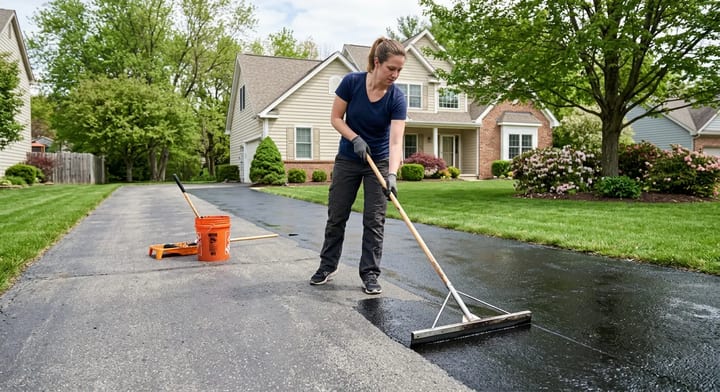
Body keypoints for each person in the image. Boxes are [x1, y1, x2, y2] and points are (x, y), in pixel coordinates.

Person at [309, 37, 407, 295]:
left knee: (375, 220)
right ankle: (327, 266)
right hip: (349, 158)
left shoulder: (397, 97)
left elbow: (396, 142)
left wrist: (393, 175)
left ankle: (370, 274)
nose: (395, 75)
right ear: (377, 62)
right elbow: (335, 118)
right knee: (337, 214)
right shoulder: (352, 82)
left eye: (399, 70)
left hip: (380, 161)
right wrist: (355, 138)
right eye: (391, 69)